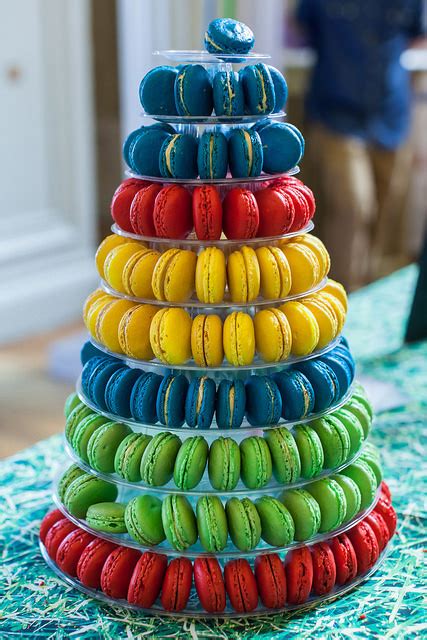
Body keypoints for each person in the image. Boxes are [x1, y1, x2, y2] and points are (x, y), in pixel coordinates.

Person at [296, 0, 426, 289]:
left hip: (390, 114)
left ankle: (367, 295)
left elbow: (416, 34)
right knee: (353, 208)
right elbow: (305, 26)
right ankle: (343, 305)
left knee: (384, 216)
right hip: (335, 116)